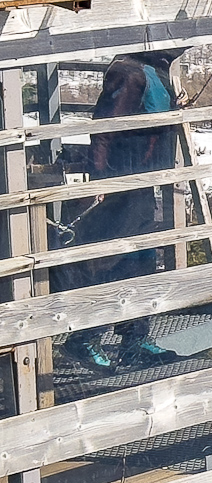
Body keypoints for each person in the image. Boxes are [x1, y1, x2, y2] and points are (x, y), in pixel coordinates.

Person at [53, 49, 186, 370]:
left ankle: (134, 339)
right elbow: (105, 130)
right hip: (120, 183)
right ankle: (84, 339)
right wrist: (102, 183)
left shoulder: (154, 73)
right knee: (113, 261)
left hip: (142, 182)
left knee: (140, 259)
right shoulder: (129, 73)